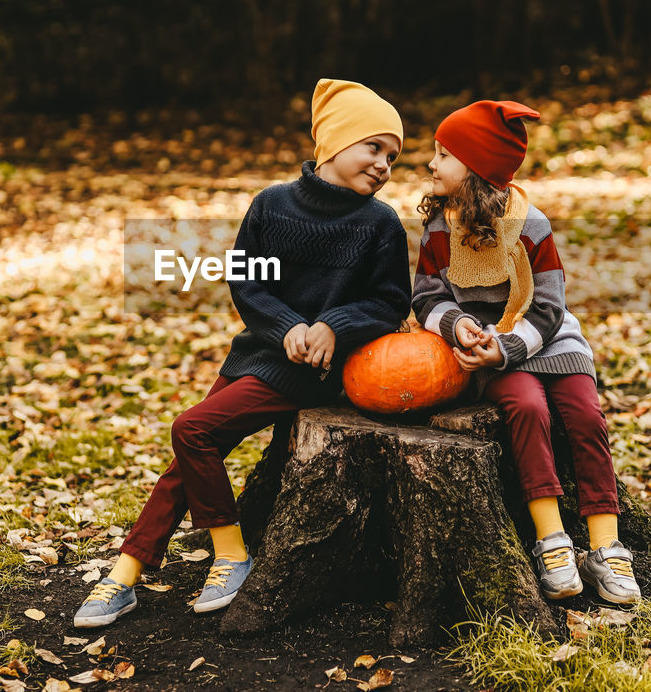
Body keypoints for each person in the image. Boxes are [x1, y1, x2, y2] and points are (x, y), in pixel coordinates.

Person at [74, 79, 412, 627]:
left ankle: (231, 554)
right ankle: (125, 575)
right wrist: (285, 327)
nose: (384, 165)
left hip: (318, 371)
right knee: (186, 461)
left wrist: (332, 324)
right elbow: (247, 282)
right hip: (262, 353)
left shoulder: (379, 224)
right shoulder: (273, 205)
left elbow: (390, 300)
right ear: (333, 142)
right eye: (374, 147)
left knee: (192, 430)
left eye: (392, 157)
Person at [411, 100, 641, 605]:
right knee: (528, 408)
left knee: (584, 414)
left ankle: (606, 543)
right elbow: (427, 295)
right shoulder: (440, 228)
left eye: (444, 155)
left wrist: (510, 347)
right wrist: (462, 326)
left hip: (547, 339)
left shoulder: (532, 225)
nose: (432, 164)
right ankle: (551, 537)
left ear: (476, 169)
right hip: (485, 346)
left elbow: (549, 308)